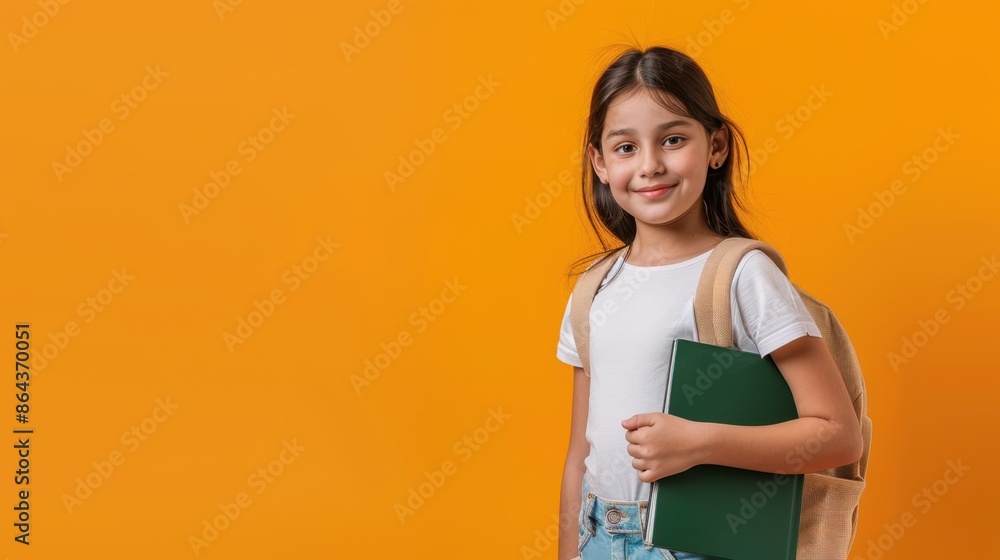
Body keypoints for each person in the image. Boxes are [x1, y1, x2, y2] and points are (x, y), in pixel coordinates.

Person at [555, 45, 863, 560]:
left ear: (716, 146)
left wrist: (699, 443)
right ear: (600, 163)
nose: (650, 164)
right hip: (599, 537)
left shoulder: (741, 276)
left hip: (694, 544)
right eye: (625, 147)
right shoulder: (594, 289)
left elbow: (837, 436)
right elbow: (578, 454)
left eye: (673, 139)